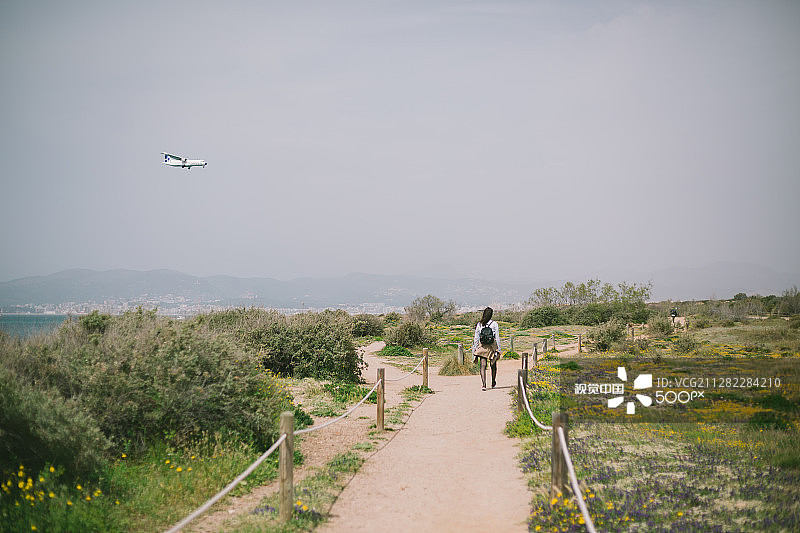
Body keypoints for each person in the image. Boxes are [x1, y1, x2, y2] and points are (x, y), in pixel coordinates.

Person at [472, 306, 501, 391]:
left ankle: (484, 385)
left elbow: (476, 338)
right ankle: (493, 382)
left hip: (483, 346)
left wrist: (475, 348)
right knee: (493, 365)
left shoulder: (480, 324)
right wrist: (498, 348)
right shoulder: (494, 324)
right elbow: (497, 337)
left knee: (483, 365)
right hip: (492, 346)